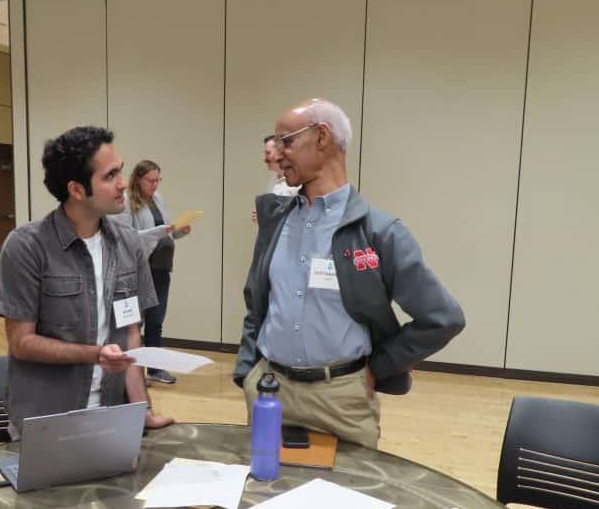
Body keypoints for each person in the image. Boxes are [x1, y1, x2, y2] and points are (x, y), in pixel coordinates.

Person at [235, 98, 464, 448]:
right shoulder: (274, 219)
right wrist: (248, 371)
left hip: (342, 403)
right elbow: (257, 302)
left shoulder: (380, 232)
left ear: (322, 137)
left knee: (347, 501)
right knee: (262, 494)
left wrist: (380, 367)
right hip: (269, 393)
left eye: (287, 141)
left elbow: (442, 317)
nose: (276, 154)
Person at [0, 126, 174, 439]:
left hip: (113, 416)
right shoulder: (27, 246)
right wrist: (96, 354)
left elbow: (131, 334)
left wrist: (142, 409)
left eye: (121, 171)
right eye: (109, 176)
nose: (122, 184)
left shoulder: (128, 244)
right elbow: (21, 343)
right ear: (76, 190)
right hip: (46, 421)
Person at [111, 160, 191, 385]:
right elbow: (127, 237)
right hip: (138, 269)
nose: (155, 185)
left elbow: (168, 233)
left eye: (158, 180)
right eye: (151, 180)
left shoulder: (158, 199)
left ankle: (155, 370)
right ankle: (131, 371)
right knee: (134, 323)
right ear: (138, 179)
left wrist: (180, 231)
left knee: (156, 320)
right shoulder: (127, 202)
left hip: (161, 267)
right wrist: (158, 232)